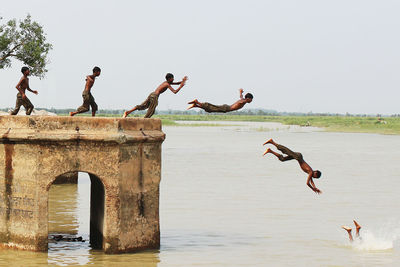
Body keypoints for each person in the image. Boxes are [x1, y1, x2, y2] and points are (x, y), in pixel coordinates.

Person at [123, 73, 187, 118]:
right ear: (169, 79)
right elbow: (175, 92)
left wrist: (183, 81)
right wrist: (181, 87)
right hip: (154, 96)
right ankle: (144, 121)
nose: (173, 79)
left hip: (152, 94)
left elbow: (177, 83)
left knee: (143, 106)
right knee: (151, 111)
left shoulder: (166, 82)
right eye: (172, 78)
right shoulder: (167, 84)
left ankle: (127, 112)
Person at [187, 89, 253, 113]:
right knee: (211, 107)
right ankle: (197, 102)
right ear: (248, 98)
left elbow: (241, 97)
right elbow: (241, 101)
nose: (251, 101)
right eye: (251, 99)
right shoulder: (244, 101)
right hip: (226, 108)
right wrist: (242, 98)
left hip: (226, 108)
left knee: (210, 110)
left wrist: (240, 92)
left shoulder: (243, 100)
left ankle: (196, 105)